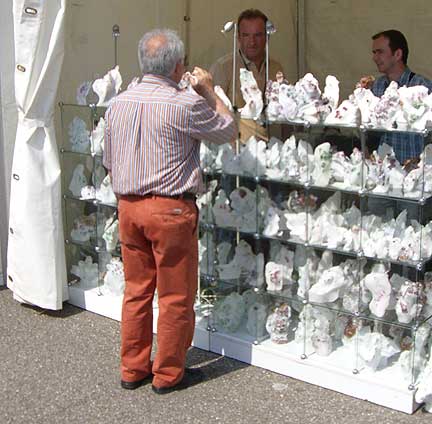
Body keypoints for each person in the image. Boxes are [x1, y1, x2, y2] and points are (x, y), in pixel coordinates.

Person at [103, 28, 236, 394]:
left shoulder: (118, 103)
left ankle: (132, 367)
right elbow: (228, 130)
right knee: (175, 296)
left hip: (129, 206)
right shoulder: (184, 103)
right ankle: (168, 373)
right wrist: (208, 90)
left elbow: (109, 161)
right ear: (178, 65)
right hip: (170, 209)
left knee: (137, 291)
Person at [210, 8, 284, 141]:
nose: (252, 42)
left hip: (272, 149)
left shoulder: (276, 67)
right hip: (237, 152)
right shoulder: (223, 67)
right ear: (238, 37)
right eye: (246, 35)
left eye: (258, 35)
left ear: (267, 36)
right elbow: (211, 113)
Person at [368, 29, 432, 163]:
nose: (374, 57)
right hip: (383, 168)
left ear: (397, 54)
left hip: (416, 170)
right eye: (374, 52)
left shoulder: (422, 86)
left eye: (380, 52)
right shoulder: (377, 86)